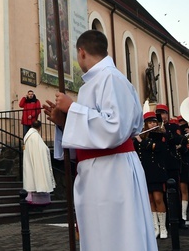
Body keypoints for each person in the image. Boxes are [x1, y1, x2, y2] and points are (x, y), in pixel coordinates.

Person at [45, 30, 157, 251]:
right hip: (97, 173)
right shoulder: (95, 82)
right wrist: (63, 122)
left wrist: (72, 108)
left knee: (117, 236)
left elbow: (115, 127)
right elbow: (95, 130)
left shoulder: (111, 78)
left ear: (81, 51)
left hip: (112, 172)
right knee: (99, 236)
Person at [134, 111, 168, 239]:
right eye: (150, 122)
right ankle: (155, 227)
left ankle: (163, 227)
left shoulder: (160, 135)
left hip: (157, 171)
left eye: (154, 121)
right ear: (146, 124)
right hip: (145, 171)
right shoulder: (142, 136)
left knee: (158, 198)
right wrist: (136, 139)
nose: (152, 124)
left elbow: (156, 147)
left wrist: (140, 141)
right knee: (149, 200)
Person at [22, 120, 55, 205]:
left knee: (31, 176)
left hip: (30, 159)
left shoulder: (27, 135)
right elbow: (43, 149)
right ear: (40, 127)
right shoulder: (35, 136)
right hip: (36, 160)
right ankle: (38, 201)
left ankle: (31, 198)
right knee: (38, 177)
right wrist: (47, 149)